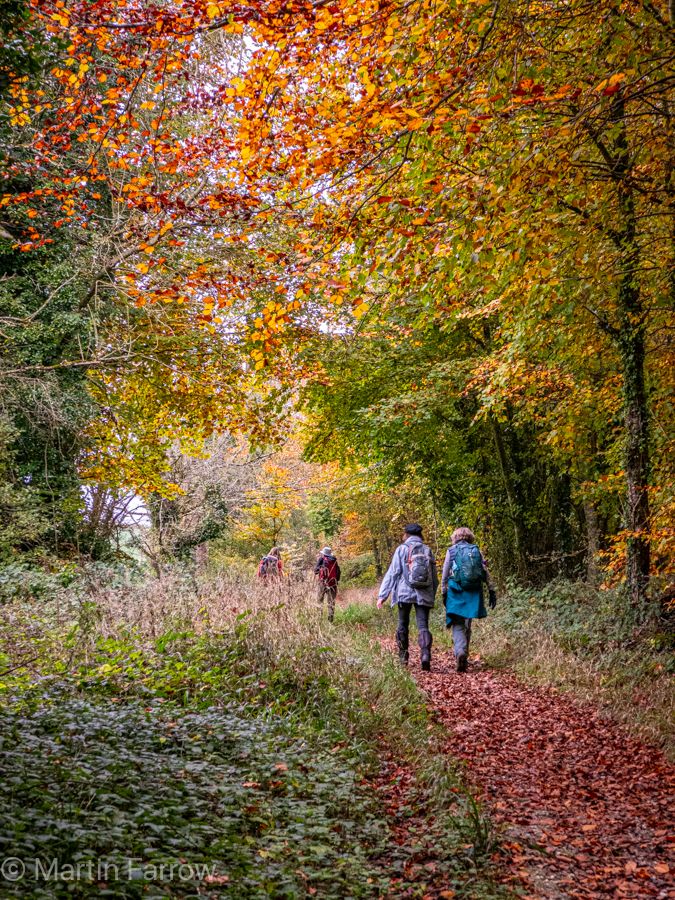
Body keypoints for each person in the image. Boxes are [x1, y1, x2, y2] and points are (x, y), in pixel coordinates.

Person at [377, 524, 438, 671]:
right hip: (423, 594)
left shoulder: (401, 549)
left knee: (402, 624)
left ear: (406, 534)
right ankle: (425, 656)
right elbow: (434, 577)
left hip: (404, 593)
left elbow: (393, 572)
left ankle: (403, 657)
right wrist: (432, 593)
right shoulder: (427, 550)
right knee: (423, 626)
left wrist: (382, 595)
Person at [441, 527, 497, 673]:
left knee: (457, 623)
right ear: (470, 537)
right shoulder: (476, 550)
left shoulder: (452, 551)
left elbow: (445, 573)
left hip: (456, 590)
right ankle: (464, 654)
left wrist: (443, 591)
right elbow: (484, 571)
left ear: (455, 537)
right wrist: (491, 590)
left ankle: (460, 651)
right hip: (473, 590)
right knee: (467, 623)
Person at [314, 546, 341, 622]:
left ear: (323, 554)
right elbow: (338, 573)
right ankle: (330, 620)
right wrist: (335, 581)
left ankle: (319, 619)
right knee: (331, 603)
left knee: (320, 601)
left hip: (322, 583)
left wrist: (320, 568)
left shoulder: (321, 559)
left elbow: (315, 571)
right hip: (333, 584)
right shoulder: (334, 561)